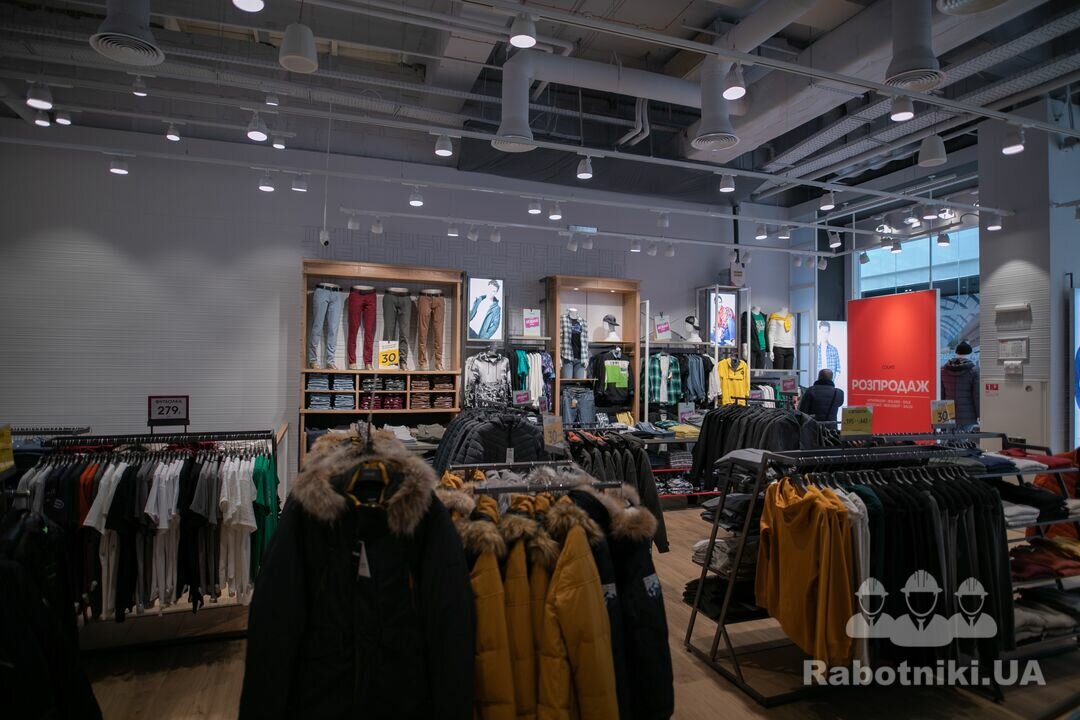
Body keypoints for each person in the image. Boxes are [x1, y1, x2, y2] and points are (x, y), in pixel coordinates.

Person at [941, 340, 979, 430]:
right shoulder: (974, 371)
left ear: (956, 353)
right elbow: (977, 395)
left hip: (947, 412)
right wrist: (980, 414)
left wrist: (941, 414)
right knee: (964, 438)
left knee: (949, 437)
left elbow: (941, 393)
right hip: (968, 414)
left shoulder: (943, 370)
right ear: (970, 354)